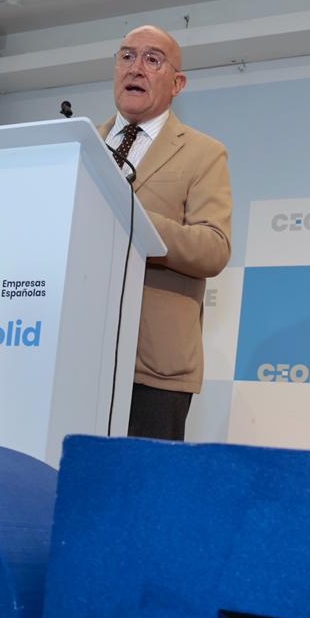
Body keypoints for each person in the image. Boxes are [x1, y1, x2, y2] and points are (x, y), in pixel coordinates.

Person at [98, 25, 232, 441]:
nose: (135, 68)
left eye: (152, 59)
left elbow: (214, 248)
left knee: (142, 481)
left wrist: (135, 220)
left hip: (154, 368)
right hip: (78, 352)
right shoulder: (83, 145)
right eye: (127, 56)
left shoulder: (204, 153)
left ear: (177, 84)